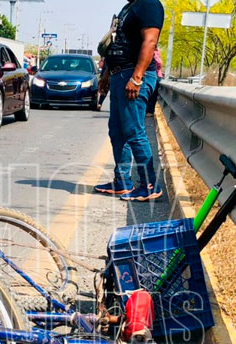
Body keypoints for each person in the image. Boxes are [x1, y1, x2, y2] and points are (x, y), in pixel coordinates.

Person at [95, 0, 164, 202]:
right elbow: (116, 44)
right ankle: (122, 181)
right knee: (117, 131)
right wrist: (106, 75)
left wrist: (137, 77)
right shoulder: (129, 8)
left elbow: (150, 41)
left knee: (134, 131)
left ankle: (149, 184)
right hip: (119, 74)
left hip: (134, 75)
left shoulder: (149, 4)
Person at [146, 47, 163, 116]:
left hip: (155, 76)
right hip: (155, 75)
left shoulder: (154, 52)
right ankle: (149, 110)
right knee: (151, 94)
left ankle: (150, 111)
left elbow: (159, 63)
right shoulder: (156, 51)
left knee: (152, 95)